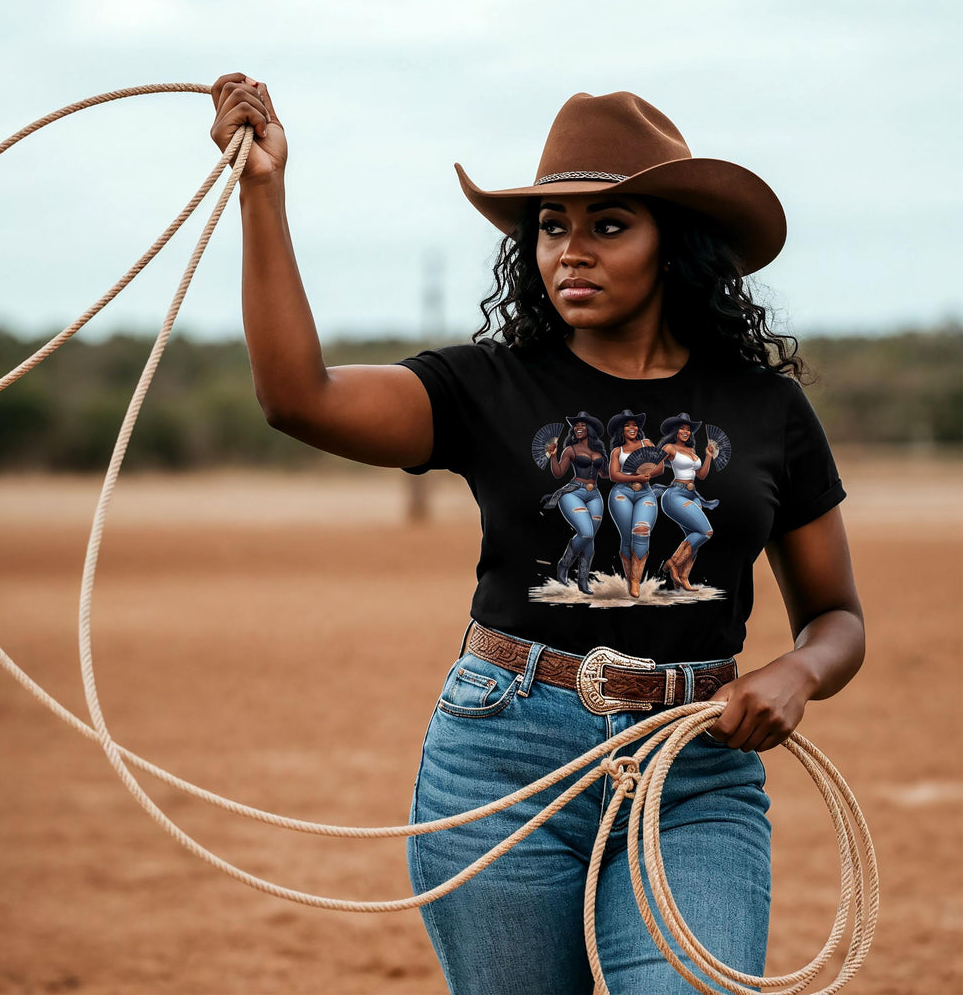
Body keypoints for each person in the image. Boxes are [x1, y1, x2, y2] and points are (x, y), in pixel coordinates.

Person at [209, 76, 865, 995]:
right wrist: (263, 193)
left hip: (696, 771)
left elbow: (837, 617)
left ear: (675, 243)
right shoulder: (490, 386)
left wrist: (797, 672)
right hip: (501, 756)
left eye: (608, 225)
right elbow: (298, 396)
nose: (571, 252)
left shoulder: (767, 410)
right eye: (553, 225)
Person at [542, 411, 609, 594]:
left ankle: (583, 581)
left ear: (591, 429)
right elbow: (558, 473)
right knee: (586, 533)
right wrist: (553, 456)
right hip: (574, 492)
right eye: (576, 425)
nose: (578, 427)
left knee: (590, 538)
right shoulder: (570, 450)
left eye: (583, 425)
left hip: (595, 494)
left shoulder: (599, 452)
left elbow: (605, 474)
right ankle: (564, 565)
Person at [656, 411, 717, 592]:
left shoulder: (691, 451)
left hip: (692, 495)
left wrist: (707, 456)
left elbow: (701, 475)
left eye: (688, 429)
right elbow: (655, 467)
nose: (686, 432)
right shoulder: (669, 448)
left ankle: (682, 578)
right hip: (675, 495)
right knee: (706, 532)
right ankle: (673, 563)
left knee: (694, 536)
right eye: (682, 428)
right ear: (675, 431)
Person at [605, 410, 663, 598]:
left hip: (645, 492)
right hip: (621, 493)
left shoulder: (647, 444)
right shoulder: (617, 451)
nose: (632, 427)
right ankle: (630, 579)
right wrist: (636, 475)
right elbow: (614, 475)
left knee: (642, 531)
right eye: (627, 425)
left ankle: (635, 581)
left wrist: (646, 475)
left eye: (634, 424)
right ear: (621, 430)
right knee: (627, 537)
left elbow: (660, 467)